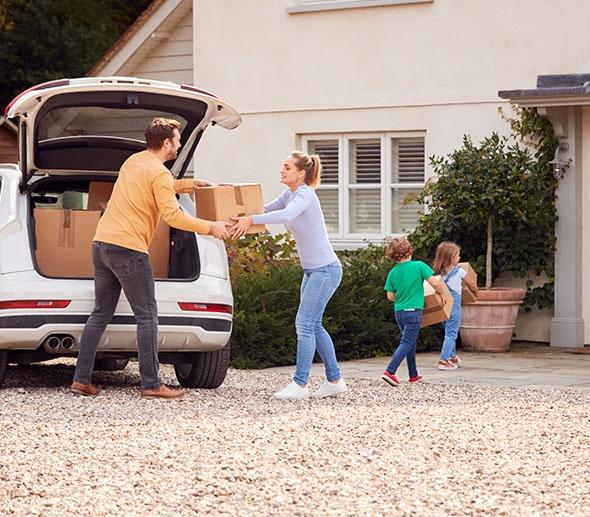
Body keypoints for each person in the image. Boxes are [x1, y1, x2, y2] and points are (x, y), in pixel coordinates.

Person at [71, 117, 230, 399]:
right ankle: (151, 384)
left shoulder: (134, 161)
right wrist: (211, 227)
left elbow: (158, 184)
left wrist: (189, 184)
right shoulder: (159, 173)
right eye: (178, 140)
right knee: (147, 315)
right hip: (129, 249)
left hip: (102, 244)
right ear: (166, 143)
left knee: (100, 313)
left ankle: (81, 379)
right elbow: (173, 216)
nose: (180, 145)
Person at [230, 151, 346, 400]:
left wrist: (251, 219)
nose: (281, 171)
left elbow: (284, 215)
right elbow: (266, 210)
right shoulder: (290, 194)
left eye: (287, 167)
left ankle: (300, 384)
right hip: (313, 271)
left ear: (301, 173)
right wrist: (239, 216)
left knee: (304, 324)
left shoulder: (304, 194)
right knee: (314, 325)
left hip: (326, 270)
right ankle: (334, 380)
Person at [382, 237, 448, 386]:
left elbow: (390, 296)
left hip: (399, 312)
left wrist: (403, 295)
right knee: (407, 342)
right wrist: (443, 294)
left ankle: (413, 375)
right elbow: (435, 282)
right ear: (409, 251)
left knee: (409, 341)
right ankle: (390, 371)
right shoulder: (418, 266)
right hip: (414, 311)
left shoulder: (392, 273)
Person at [432, 241, 478, 370]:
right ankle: (443, 360)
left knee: (448, 332)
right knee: (451, 333)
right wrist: (476, 292)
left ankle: (452, 356)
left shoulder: (437, 273)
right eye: (458, 256)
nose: (459, 258)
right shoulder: (459, 272)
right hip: (454, 306)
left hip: (442, 306)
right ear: (451, 258)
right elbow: (472, 284)